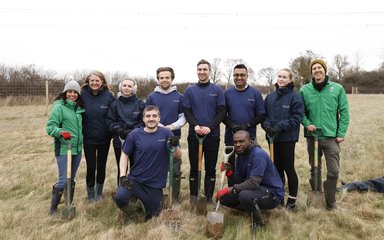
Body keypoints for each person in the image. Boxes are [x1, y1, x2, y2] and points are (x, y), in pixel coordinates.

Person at [114, 105, 182, 221]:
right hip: (135, 180)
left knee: (153, 216)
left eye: (154, 116)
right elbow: (124, 155)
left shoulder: (166, 134)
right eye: (148, 116)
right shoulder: (135, 134)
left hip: (155, 184)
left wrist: (175, 146)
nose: (151, 119)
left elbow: (178, 156)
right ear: (143, 118)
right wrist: (123, 176)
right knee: (119, 198)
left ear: (159, 118)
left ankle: (143, 204)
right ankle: (133, 214)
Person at [299, 59, 350, 210]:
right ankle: (317, 197)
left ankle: (331, 201)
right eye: (314, 68)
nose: (317, 70)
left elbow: (345, 112)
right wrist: (308, 124)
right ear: (311, 72)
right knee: (315, 168)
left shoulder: (337, 88)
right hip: (312, 137)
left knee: (333, 170)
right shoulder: (304, 90)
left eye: (319, 67)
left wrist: (340, 133)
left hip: (331, 137)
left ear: (325, 70)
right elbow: (300, 112)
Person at [216, 130, 284, 230]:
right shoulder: (240, 156)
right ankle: (252, 208)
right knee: (223, 198)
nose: (238, 145)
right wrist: (229, 173)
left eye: (241, 141)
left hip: (272, 193)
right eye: (235, 142)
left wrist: (230, 189)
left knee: (244, 196)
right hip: (255, 190)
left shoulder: (258, 155)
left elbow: (253, 183)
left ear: (250, 141)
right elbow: (239, 181)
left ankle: (259, 224)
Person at [183, 59, 226, 204]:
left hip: (212, 136)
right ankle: (194, 196)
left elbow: (221, 112)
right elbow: (187, 111)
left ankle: (208, 198)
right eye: (199, 69)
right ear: (197, 71)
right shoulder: (190, 90)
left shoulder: (217, 90)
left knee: (210, 169)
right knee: (194, 168)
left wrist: (210, 127)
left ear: (210, 71)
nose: (202, 72)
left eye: (205, 69)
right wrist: (195, 125)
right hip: (194, 135)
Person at [262, 68, 304, 210]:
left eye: (284, 77)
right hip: (272, 138)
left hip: (287, 138)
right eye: (279, 76)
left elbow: (297, 118)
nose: (281, 79)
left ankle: (291, 200)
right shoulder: (270, 96)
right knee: (276, 168)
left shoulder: (295, 97)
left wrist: (278, 127)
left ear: (290, 79)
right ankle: (278, 196)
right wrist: (267, 127)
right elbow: (264, 114)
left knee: (288, 168)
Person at [145, 67, 186, 202]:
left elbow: (183, 116)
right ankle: (156, 196)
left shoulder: (179, 97)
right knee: (155, 168)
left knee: (175, 170)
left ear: (172, 79)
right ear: (158, 79)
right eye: (161, 77)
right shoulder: (152, 96)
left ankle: (174, 198)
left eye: (167, 77)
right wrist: (160, 126)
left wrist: (172, 126)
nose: (164, 80)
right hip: (155, 137)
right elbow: (147, 116)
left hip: (174, 137)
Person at [46, 80, 85, 215]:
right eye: (69, 91)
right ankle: (53, 209)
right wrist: (61, 132)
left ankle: (69, 204)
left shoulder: (79, 108)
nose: (72, 94)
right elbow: (50, 127)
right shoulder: (59, 107)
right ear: (65, 93)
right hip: (63, 148)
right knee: (63, 180)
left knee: (72, 179)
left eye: (75, 92)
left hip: (77, 149)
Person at [223, 64, 266, 187]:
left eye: (242, 75)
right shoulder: (227, 93)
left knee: (248, 166)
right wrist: (232, 126)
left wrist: (247, 125)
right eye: (236, 75)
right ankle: (231, 191)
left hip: (250, 138)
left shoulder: (255, 93)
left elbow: (261, 114)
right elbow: (221, 114)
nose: (239, 77)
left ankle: (246, 192)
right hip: (231, 137)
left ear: (247, 76)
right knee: (230, 167)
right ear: (233, 76)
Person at [81, 71, 115, 202]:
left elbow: (113, 115)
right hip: (88, 138)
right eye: (92, 81)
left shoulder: (109, 97)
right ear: (88, 82)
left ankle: (99, 193)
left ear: (102, 82)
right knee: (91, 166)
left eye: (97, 81)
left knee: (101, 166)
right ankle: (90, 193)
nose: (94, 83)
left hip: (104, 138)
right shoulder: (82, 95)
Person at [106, 77, 145, 187]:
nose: (127, 88)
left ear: (133, 88)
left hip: (137, 140)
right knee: (122, 167)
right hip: (120, 140)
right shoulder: (114, 104)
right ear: (121, 87)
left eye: (129, 86)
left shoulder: (140, 104)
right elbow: (109, 121)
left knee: (135, 166)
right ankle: (122, 191)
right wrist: (120, 130)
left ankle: (135, 191)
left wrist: (133, 132)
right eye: (124, 85)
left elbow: (143, 122)